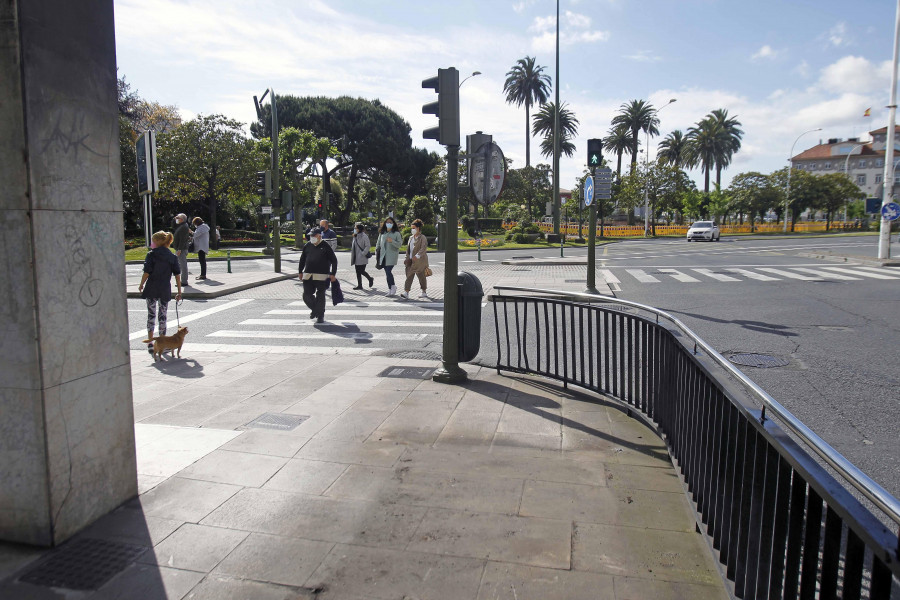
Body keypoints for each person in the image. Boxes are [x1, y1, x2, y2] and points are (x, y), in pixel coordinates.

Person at [138, 231, 182, 354]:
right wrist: (179, 291)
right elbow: (177, 275)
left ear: (157, 241)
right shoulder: (172, 256)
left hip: (152, 288)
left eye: (153, 240)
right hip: (164, 289)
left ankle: (151, 343)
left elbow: (147, 271)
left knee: (151, 315)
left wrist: (141, 284)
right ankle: (162, 342)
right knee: (163, 316)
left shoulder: (151, 254)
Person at [298, 226, 338, 323]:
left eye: (314, 235)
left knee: (320, 295)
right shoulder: (307, 245)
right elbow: (302, 259)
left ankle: (320, 315)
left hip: (321, 276)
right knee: (306, 295)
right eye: (311, 235)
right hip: (308, 275)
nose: (312, 237)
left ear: (319, 236)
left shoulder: (325, 246)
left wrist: (333, 273)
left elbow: (334, 260)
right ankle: (316, 310)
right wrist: (300, 271)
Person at [400, 218, 429, 300]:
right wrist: (407, 258)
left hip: (420, 261)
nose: (412, 230)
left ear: (418, 228)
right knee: (409, 276)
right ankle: (406, 292)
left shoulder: (422, 237)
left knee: (421, 276)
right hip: (411, 261)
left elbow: (423, 248)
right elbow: (408, 249)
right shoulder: (411, 238)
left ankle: (424, 291)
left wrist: (417, 256)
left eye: (414, 228)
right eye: (411, 228)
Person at [375, 216, 402, 296]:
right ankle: (390, 289)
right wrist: (377, 252)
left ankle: (393, 286)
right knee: (387, 273)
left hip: (391, 256)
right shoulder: (382, 233)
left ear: (393, 224)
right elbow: (378, 243)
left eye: (390, 222)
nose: (388, 224)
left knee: (388, 271)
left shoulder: (396, 233)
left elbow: (399, 244)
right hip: (383, 256)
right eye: (387, 222)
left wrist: (392, 241)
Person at [350, 223, 374, 290]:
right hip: (356, 256)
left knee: (361, 271)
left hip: (362, 256)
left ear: (359, 229)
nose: (354, 229)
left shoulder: (364, 236)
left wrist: (363, 253)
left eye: (356, 228)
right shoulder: (355, 236)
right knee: (357, 271)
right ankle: (359, 285)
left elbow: (368, 246)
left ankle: (370, 278)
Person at [172, 213, 190, 286]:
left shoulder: (184, 227)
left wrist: (179, 249)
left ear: (182, 219)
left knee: (183, 265)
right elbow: (173, 226)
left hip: (181, 249)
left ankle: (184, 281)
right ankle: (182, 280)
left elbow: (182, 239)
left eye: (178, 218)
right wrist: (174, 219)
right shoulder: (181, 226)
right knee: (180, 264)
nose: (177, 219)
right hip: (180, 248)